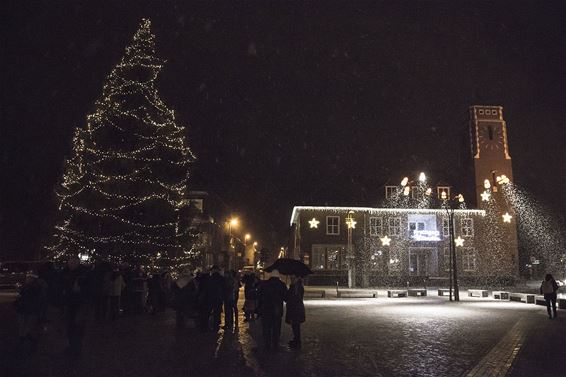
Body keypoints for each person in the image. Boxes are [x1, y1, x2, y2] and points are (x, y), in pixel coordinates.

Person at [60, 255, 89, 357]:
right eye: (70, 262)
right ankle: (71, 344)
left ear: (78, 263)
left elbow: (88, 286)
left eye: (74, 262)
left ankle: (77, 346)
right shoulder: (64, 272)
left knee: (78, 325)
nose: (71, 264)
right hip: (69, 302)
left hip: (80, 302)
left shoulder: (84, 273)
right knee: (70, 324)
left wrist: (81, 290)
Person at [257, 269, 287, 350]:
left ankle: (267, 344)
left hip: (266, 309)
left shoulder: (264, 284)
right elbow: (286, 298)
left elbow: (259, 296)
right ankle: (275, 344)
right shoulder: (281, 285)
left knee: (266, 328)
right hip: (277, 310)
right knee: (276, 328)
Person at [15, 273, 43, 354]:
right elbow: (21, 297)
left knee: (28, 329)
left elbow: (36, 300)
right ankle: (23, 344)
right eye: (27, 278)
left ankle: (32, 344)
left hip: (30, 310)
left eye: (30, 278)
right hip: (23, 309)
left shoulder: (36, 288)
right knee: (22, 328)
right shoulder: (26, 286)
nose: (27, 279)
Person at [285, 275, 305, 349]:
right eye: (291, 278)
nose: (291, 279)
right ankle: (296, 339)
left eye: (293, 278)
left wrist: (289, 290)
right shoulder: (295, 286)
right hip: (295, 308)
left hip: (296, 309)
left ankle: (297, 341)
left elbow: (293, 297)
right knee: (295, 325)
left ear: (297, 278)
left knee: (296, 325)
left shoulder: (297, 287)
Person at [206, 265, 225, 331]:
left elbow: (207, 288)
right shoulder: (221, 278)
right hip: (219, 298)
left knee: (209, 311)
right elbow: (224, 288)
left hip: (210, 297)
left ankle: (208, 325)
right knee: (217, 312)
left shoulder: (209, 278)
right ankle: (216, 325)